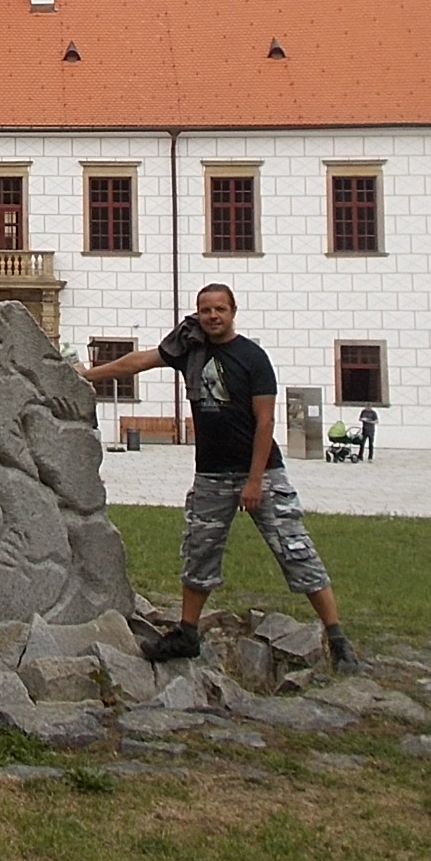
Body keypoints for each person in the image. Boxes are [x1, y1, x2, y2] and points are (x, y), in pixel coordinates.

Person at [80, 284, 362, 673]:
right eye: (206, 310)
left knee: (296, 550)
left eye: (220, 309)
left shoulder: (252, 357)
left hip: (261, 471)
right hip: (211, 474)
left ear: (233, 312)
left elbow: (266, 422)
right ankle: (188, 633)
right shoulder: (189, 351)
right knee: (199, 553)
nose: (213, 316)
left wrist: (254, 480)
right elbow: (136, 363)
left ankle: (338, 639)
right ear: (198, 313)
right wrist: (87, 375)